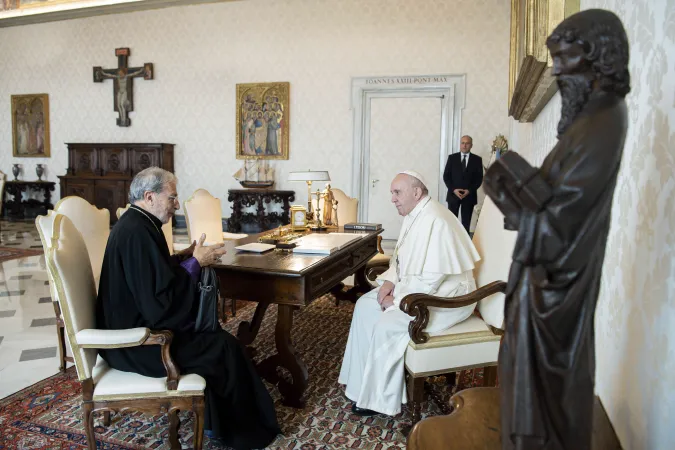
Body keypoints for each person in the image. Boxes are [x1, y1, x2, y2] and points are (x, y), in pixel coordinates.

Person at [483, 10, 631, 450]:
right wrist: (517, 199)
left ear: (595, 57)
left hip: (557, 288)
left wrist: (516, 202)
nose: (558, 71)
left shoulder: (604, 121)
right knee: (528, 388)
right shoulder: (588, 120)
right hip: (545, 279)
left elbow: (564, 222)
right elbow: (554, 201)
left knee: (549, 399)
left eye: (565, 59)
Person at [96, 167, 280, 449]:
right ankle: (244, 433)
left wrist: (186, 255)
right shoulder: (137, 232)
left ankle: (219, 424)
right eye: (172, 198)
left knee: (221, 343)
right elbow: (158, 303)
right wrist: (195, 264)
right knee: (225, 348)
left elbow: (156, 276)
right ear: (149, 196)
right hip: (136, 343)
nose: (176, 205)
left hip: (142, 328)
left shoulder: (141, 224)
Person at [338, 170, 481, 416]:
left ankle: (380, 400)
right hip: (418, 289)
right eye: (392, 193)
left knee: (388, 323)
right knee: (364, 305)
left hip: (446, 298)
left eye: (397, 192)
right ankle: (361, 384)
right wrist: (388, 284)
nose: (392, 198)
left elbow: (432, 279)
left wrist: (397, 300)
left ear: (416, 192)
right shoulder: (414, 213)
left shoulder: (436, 219)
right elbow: (401, 260)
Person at [443, 135, 483, 233]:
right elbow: (446, 176)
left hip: (469, 196)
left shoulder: (477, 159)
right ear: (460, 144)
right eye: (462, 143)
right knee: (452, 222)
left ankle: (464, 245)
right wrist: (453, 189)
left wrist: (469, 190)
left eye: (467, 143)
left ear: (471, 145)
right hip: (453, 195)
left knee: (466, 224)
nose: (464, 145)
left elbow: (479, 179)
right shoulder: (452, 158)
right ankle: (451, 243)